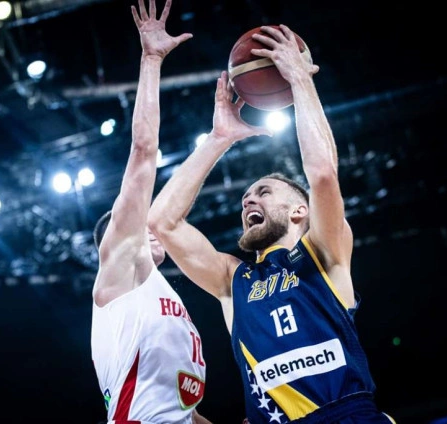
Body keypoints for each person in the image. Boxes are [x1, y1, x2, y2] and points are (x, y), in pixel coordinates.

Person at [148, 24, 396, 424]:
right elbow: (162, 222)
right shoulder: (233, 280)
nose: (248, 199)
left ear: (300, 211)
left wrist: (299, 79)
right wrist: (218, 138)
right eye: (246, 198)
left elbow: (322, 174)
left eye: (263, 191)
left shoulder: (325, 252)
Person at [90, 1, 212, 423]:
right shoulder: (119, 268)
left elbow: (186, 414)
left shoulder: (161, 296)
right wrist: (152, 60)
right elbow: (144, 151)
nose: (149, 224)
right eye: (138, 223)